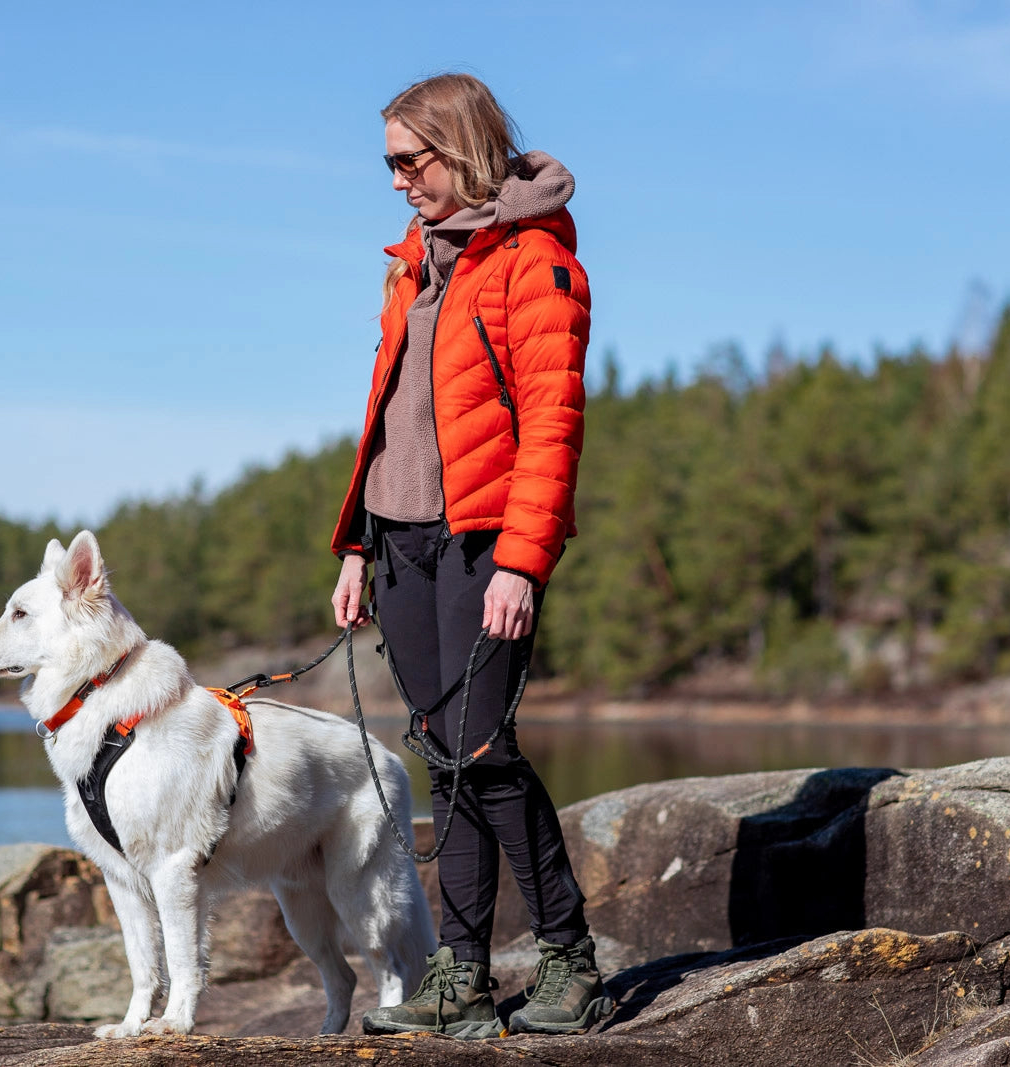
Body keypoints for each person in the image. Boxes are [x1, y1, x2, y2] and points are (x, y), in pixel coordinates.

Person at [329, 73, 608, 1038]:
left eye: (414, 160)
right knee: (444, 762)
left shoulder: (535, 258)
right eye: (390, 164)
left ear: (464, 147)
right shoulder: (412, 265)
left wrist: (523, 563)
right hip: (400, 543)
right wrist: (359, 543)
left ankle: (571, 958)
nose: (400, 181)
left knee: (483, 752)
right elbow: (390, 420)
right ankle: (463, 977)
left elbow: (552, 426)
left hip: (487, 540)